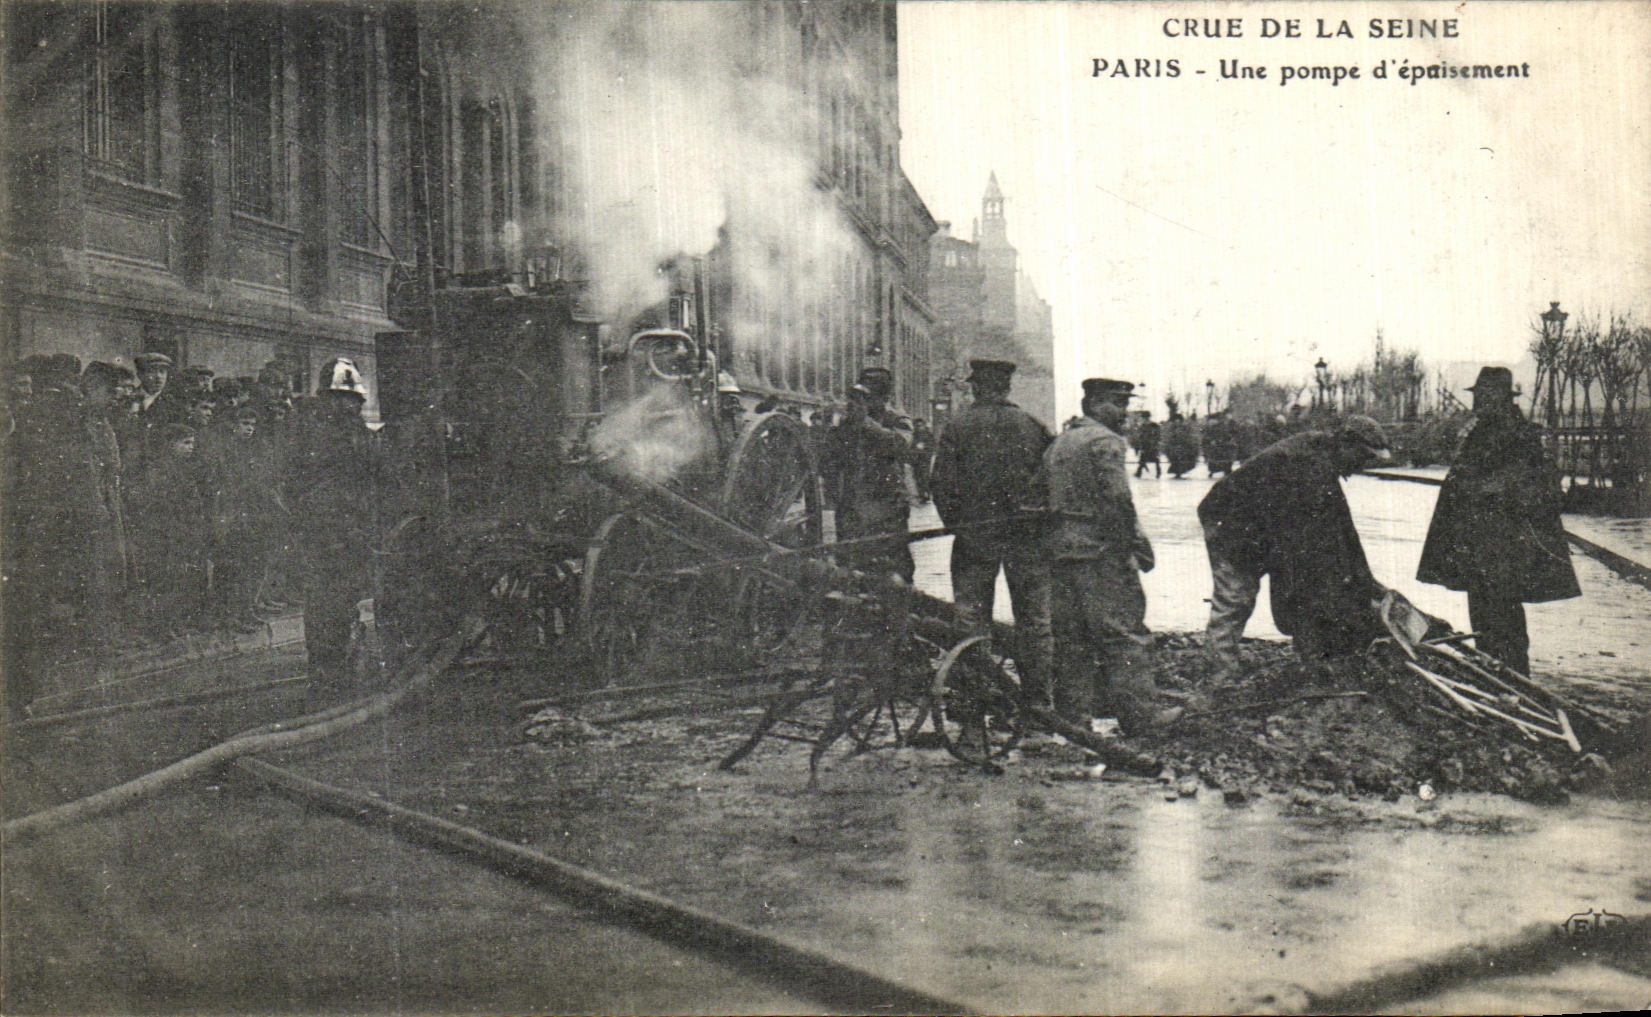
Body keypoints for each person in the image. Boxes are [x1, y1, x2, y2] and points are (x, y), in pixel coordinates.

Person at [1198, 415, 1394, 676]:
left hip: (1264, 529)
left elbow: (1342, 529)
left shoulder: (1325, 458)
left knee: (1306, 584)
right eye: (1363, 456)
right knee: (1236, 598)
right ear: (1347, 444)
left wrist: (1365, 579)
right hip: (1232, 525)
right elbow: (1303, 547)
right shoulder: (1306, 464)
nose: (1362, 465)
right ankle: (1219, 670)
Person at [1416, 367, 1579, 675]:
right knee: (1485, 610)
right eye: (1478, 394)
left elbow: (1533, 485)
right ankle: (1495, 671)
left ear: (1502, 398)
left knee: (1502, 614)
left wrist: (1484, 489)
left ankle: (1513, 676)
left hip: (1504, 546)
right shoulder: (1486, 430)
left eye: (1486, 395)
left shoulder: (1518, 434)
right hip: (1482, 543)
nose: (1479, 401)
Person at [1043, 378, 1178, 735]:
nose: (1124, 414)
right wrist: (1130, 548)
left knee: (1071, 640)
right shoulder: (1105, 442)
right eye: (1117, 405)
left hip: (1061, 550)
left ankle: (1073, 720)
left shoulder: (1061, 442)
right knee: (1123, 634)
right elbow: (1118, 501)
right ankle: (1142, 717)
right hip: (1099, 552)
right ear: (1097, 404)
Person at [928, 359, 1054, 711]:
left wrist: (959, 525)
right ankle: (1039, 708)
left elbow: (940, 484)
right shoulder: (1033, 426)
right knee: (1035, 622)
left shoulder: (959, 426)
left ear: (976, 387)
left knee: (970, 621)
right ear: (1007, 388)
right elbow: (1052, 484)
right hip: (1026, 541)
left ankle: (975, 708)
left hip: (974, 540)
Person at [284, 357, 380, 695]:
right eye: (342, 398)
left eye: (353, 400)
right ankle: (326, 674)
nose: (348, 405)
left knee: (343, 601)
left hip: (352, 531)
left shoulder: (358, 434)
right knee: (325, 605)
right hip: (323, 533)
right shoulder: (312, 434)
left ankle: (340, 671)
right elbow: (297, 484)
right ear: (328, 398)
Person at [828, 366, 916, 582]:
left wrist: (866, 424)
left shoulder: (897, 420)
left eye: (867, 397)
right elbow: (831, 459)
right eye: (857, 397)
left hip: (886, 505)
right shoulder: (848, 423)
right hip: (852, 506)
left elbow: (900, 446)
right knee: (851, 566)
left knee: (893, 568)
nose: (860, 403)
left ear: (884, 397)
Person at [1133, 413, 1161, 478]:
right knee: (1144, 459)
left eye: (1145, 418)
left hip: (1151, 444)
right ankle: (1139, 473)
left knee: (1153, 459)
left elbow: (1157, 435)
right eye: (1144, 418)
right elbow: (1140, 436)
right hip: (1145, 445)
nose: (1145, 419)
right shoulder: (1143, 426)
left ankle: (1158, 472)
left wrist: (1155, 442)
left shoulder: (1153, 425)